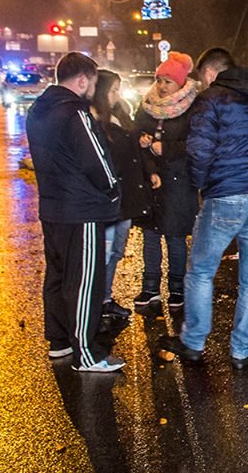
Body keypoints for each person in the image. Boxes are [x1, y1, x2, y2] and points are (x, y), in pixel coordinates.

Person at [160, 53, 248, 369]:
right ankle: (241, 350)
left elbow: (199, 149)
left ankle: (193, 342)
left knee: (201, 271)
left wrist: (203, 182)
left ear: (211, 72)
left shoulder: (212, 100)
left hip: (224, 196)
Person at [26, 52, 124, 372]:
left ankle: (59, 341)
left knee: (57, 276)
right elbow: (95, 160)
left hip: (52, 207)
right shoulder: (76, 114)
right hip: (81, 210)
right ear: (82, 80)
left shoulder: (38, 111)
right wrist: (112, 189)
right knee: (84, 281)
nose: (93, 90)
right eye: (93, 83)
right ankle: (87, 353)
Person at [91, 69, 160, 321]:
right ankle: (96, 303)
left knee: (117, 250)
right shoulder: (94, 121)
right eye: (113, 90)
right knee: (105, 252)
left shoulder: (121, 114)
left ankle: (105, 298)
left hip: (126, 195)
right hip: (108, 198)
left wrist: (147, 170)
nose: (117, 95)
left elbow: (132, 149)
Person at [132, 52, 199, 311]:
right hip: (152, 179)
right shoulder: (147, 104)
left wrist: (167, 148)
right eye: (159, 80)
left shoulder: (192, 107)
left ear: (181, 83)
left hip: (180, 180)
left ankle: (177, 289)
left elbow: (196, 143)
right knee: (150, 233)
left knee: (175, 236)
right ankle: (150, 287)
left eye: (168, 81)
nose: (161, 86)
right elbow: (136, 131)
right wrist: (142, 142)